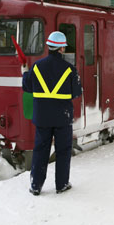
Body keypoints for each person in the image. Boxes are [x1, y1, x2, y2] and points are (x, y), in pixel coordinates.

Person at [22, 31, 82, 196]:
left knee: (40, 150)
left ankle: (36, 186)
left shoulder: (36, 66)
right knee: (63, 150)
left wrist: (25, 73)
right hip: (62, 117)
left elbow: (27, 87)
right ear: (61, 49)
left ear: (48, 47)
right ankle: (61, 184)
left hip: (42, 117)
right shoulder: (70, 70)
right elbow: (76, 93)